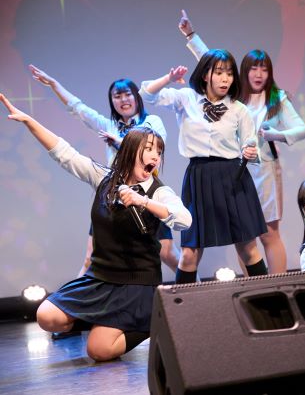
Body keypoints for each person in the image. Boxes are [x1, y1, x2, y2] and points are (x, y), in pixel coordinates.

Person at [0, 93, 192, 361]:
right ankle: (104, 321)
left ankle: (151, 320)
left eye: (158, 152)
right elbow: (64, 153)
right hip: (100, 278)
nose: (155, 156)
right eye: (149, 149)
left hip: (136, 284)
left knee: (99, 351)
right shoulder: (104, 178)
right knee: (47, 317)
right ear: (129, 151)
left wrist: (144, 202)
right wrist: (29, 121)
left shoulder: (158, 192)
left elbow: (184, 219)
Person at [179, 10, 305, 274]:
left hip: (264, 170)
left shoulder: (277, 98)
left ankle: (276, 284)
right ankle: (251, 286)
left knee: (267, 233)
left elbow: (301, 129)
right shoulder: (234, 98)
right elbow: (210, 63)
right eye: (253, 69)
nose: (259, 74)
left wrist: (273, 135)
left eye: (264, 69)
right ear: (243, 72)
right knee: (243, 236)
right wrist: (191, 36)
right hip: (234, 173)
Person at [28, 65, 180, 276]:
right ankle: (75, 298)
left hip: (146, 193)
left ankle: (197, 290)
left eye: (127, 94)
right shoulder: (108, 125)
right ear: (112, 101)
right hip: (113, 194)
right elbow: (78, 108)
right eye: (117, 96)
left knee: (168, 254)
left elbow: (154, 147)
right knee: (90, 258)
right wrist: (54, 84)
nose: (123, 99)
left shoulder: (151, 122)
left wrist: (118, 141)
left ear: (137, 97)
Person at [139, 50, 268, 284]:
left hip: (233, 178)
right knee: (190, 252)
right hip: (199, 178)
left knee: (248, 248)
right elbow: (146, 94)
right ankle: (182, 306)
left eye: (229, 73)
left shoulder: (239, 109)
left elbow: (251, 146)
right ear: (206, 75)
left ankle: (270, 301)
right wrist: (169, 78)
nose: (225, 79)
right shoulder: (187, 98)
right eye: (219, 73)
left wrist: (251, 153)